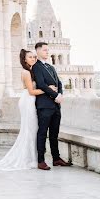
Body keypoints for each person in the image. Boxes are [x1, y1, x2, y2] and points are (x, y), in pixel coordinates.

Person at [33, 41, 72, 170]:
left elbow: (59, 83)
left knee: (54, 133)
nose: (47, 52)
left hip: (55, 106)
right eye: (44, 50)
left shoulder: (51, 67)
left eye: (47, 50)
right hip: (44, 105)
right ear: (38, 51)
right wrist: (55, 96)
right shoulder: (36, 67)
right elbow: (41, 84)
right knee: (43, 133)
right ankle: (41, 160)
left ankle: (56, 158)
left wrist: (60, 94)